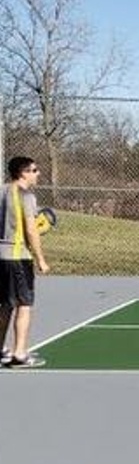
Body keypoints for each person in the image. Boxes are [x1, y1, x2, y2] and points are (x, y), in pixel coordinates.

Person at [0, 156, 51, 369]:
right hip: (18, 256)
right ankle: (20, 354)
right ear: (23, 172)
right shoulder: (26, 196)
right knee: (24, 304)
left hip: (1, 255)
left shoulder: (2, 191)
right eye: (34, 170)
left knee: (4, 305)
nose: (38, 173)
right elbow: (30, 230)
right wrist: (41, 259)